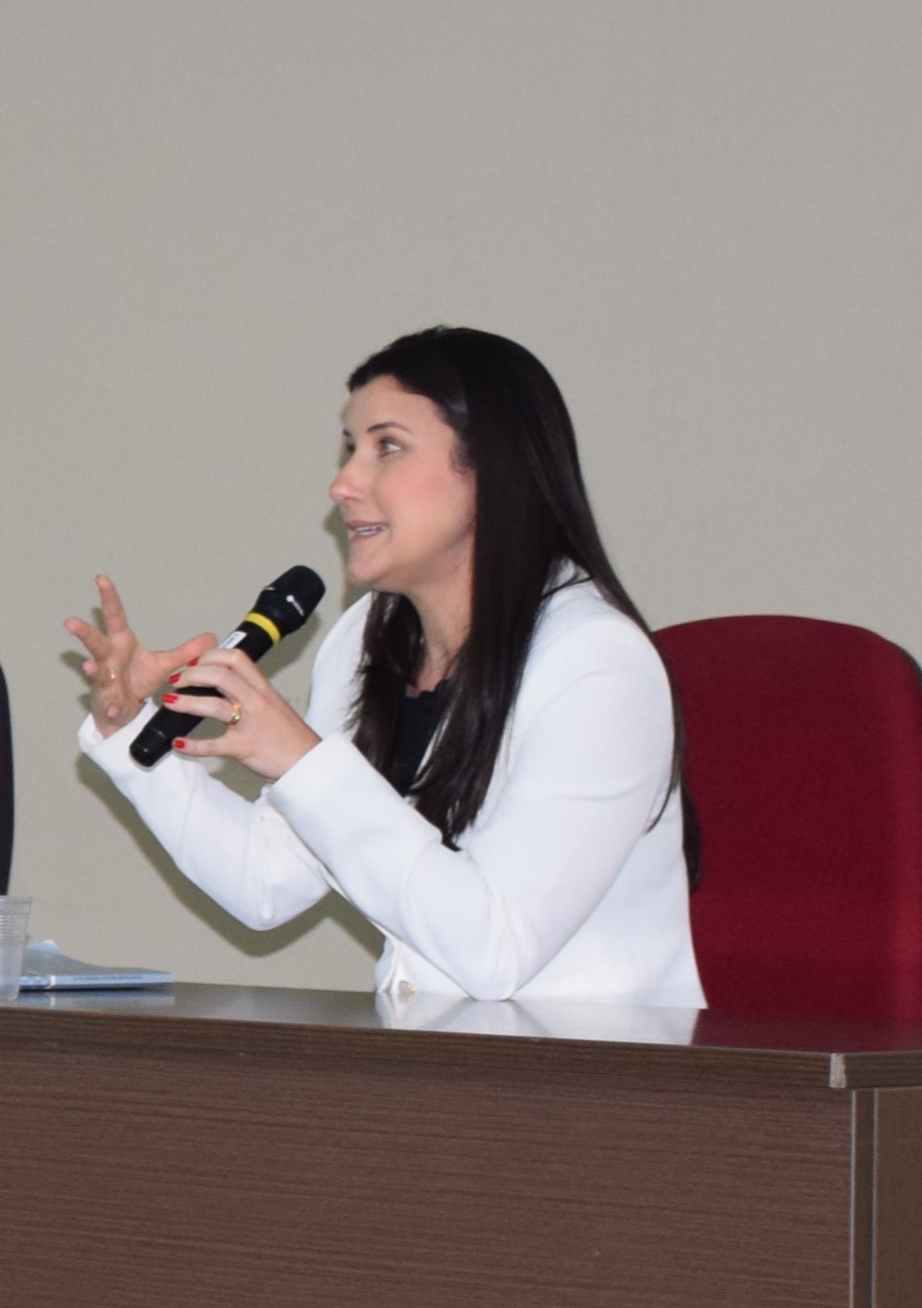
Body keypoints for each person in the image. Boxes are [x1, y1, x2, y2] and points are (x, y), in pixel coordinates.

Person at [67, 326, 697, 1009]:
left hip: (602, 1094)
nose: (342, 484)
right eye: (349, 448)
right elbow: (265, 883)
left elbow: (494, 952)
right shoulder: (367, 638)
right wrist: (132, 729)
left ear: (491, 468)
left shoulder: (597, 666)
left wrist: (304, 763)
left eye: (385, 446)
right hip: (433, 1081)